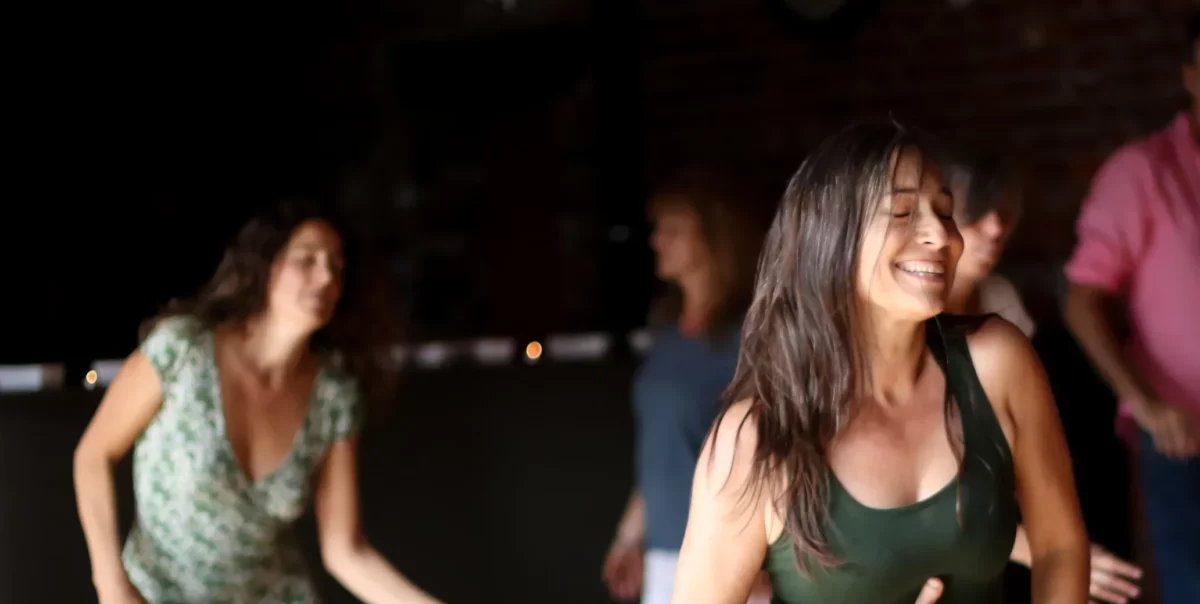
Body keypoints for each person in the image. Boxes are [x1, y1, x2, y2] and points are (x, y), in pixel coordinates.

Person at [670, 122, 1090, 604]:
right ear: (831, 240)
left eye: (945, 211)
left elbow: (1059, 546)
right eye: (903, 211)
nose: (941, 234)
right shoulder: (753, 441)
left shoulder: (998, 362)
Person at [73, 201, 441, 604]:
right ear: (266, 266)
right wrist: (112, 585)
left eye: (336, 266)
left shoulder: (332, 395)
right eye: (307, 260)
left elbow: (345, 551)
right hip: (152, 594)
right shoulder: (181, 350)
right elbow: (94, 455)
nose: (325, 277)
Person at [943, 154, 1143, 604]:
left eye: (1005, 212)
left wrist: (1057, 546)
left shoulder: (1001, 299)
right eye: (975, 211)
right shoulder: (904, 319)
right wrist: (1040, 548)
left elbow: (1019, 432)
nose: (995, 228)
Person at [1062, 14, 1200, 604]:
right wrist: (1143, 402)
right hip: (1182, 435)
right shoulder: (1143, 171)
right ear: (1191, 76)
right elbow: (1081, 301)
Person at [602, 168, 770, 604]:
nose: (657, 240)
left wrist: (758, 557)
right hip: (664, 553)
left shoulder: (749, 338)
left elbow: (771, 455)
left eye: (673, 230)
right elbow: (662, 447)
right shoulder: (667, 333)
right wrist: (629, 536)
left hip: (725, 553)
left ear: (714, 238)